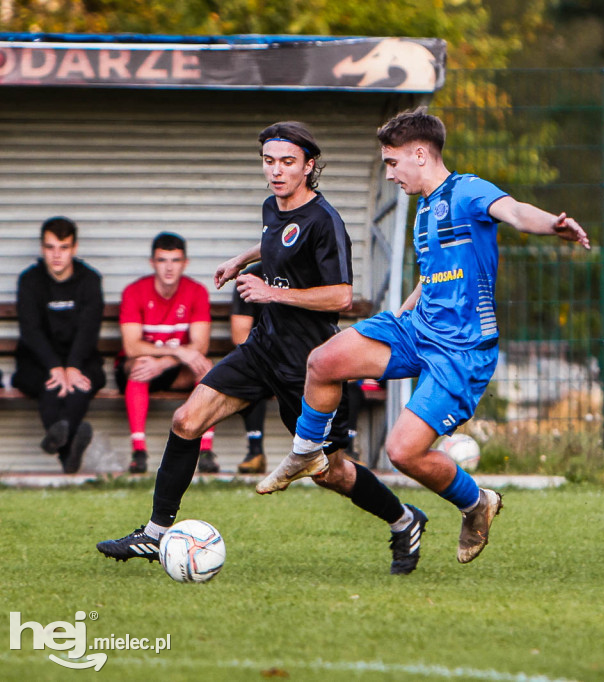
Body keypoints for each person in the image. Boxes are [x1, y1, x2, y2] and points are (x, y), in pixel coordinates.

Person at [258, 109, 590, 565]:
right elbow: (434, 274)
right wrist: (404, 311)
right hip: (417, 329)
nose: (390, 173)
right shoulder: (424, 209)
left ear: (419, 153)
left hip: (461, 351)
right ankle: (305, 454)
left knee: (402, 452)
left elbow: (512, 210)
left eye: (393, 163)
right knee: (324, 361)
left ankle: (476, 503)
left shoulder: (466, 191)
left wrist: (552, 223)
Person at [97, 121, 425, 575]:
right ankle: (154, 534)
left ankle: (405, 519)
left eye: (287, 162)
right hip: (262, 349)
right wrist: (242, 259)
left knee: (331, 472)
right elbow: (276, 238)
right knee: (187, 420)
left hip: (310, 367)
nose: (276, 171)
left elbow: (341, 296)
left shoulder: (326, 223)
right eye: (269, 162)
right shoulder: (273, 206)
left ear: (309, 166)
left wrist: (273, 294)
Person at [115, 232, 218, 475]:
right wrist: (177, 352)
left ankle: (205, 451)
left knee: (206, 366)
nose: (169, 268)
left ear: (185, 263)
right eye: (162, 260)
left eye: (175, 260)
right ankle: (138, 452)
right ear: (152, 263)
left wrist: (165, 362)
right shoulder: (134, 291)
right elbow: (131, 346)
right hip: (137, 369)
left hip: (172, 370)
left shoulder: (196, 292)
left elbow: (200, 345)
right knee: (140, 364)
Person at [12, 217, 105, 474]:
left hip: (80, 356)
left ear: (74, 249)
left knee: (78, 387)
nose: (56, 255)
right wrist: (55, 367)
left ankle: (58, 442)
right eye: (50, 247)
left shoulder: (89, 280)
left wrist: (73, 366)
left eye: (63, 247)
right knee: (51, 387)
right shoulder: (30, 280)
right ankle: (68, 454)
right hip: (38, 359)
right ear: (42, 249)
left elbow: (89, 329)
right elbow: (30, 330)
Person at [230, 263, 269, 474]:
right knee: (254, 374)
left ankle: (343, 452)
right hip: (266, 359)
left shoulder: (310, 273)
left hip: (304, 358)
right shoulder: (251, 276)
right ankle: (255, 452)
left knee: (345, 377)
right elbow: (239, 336)